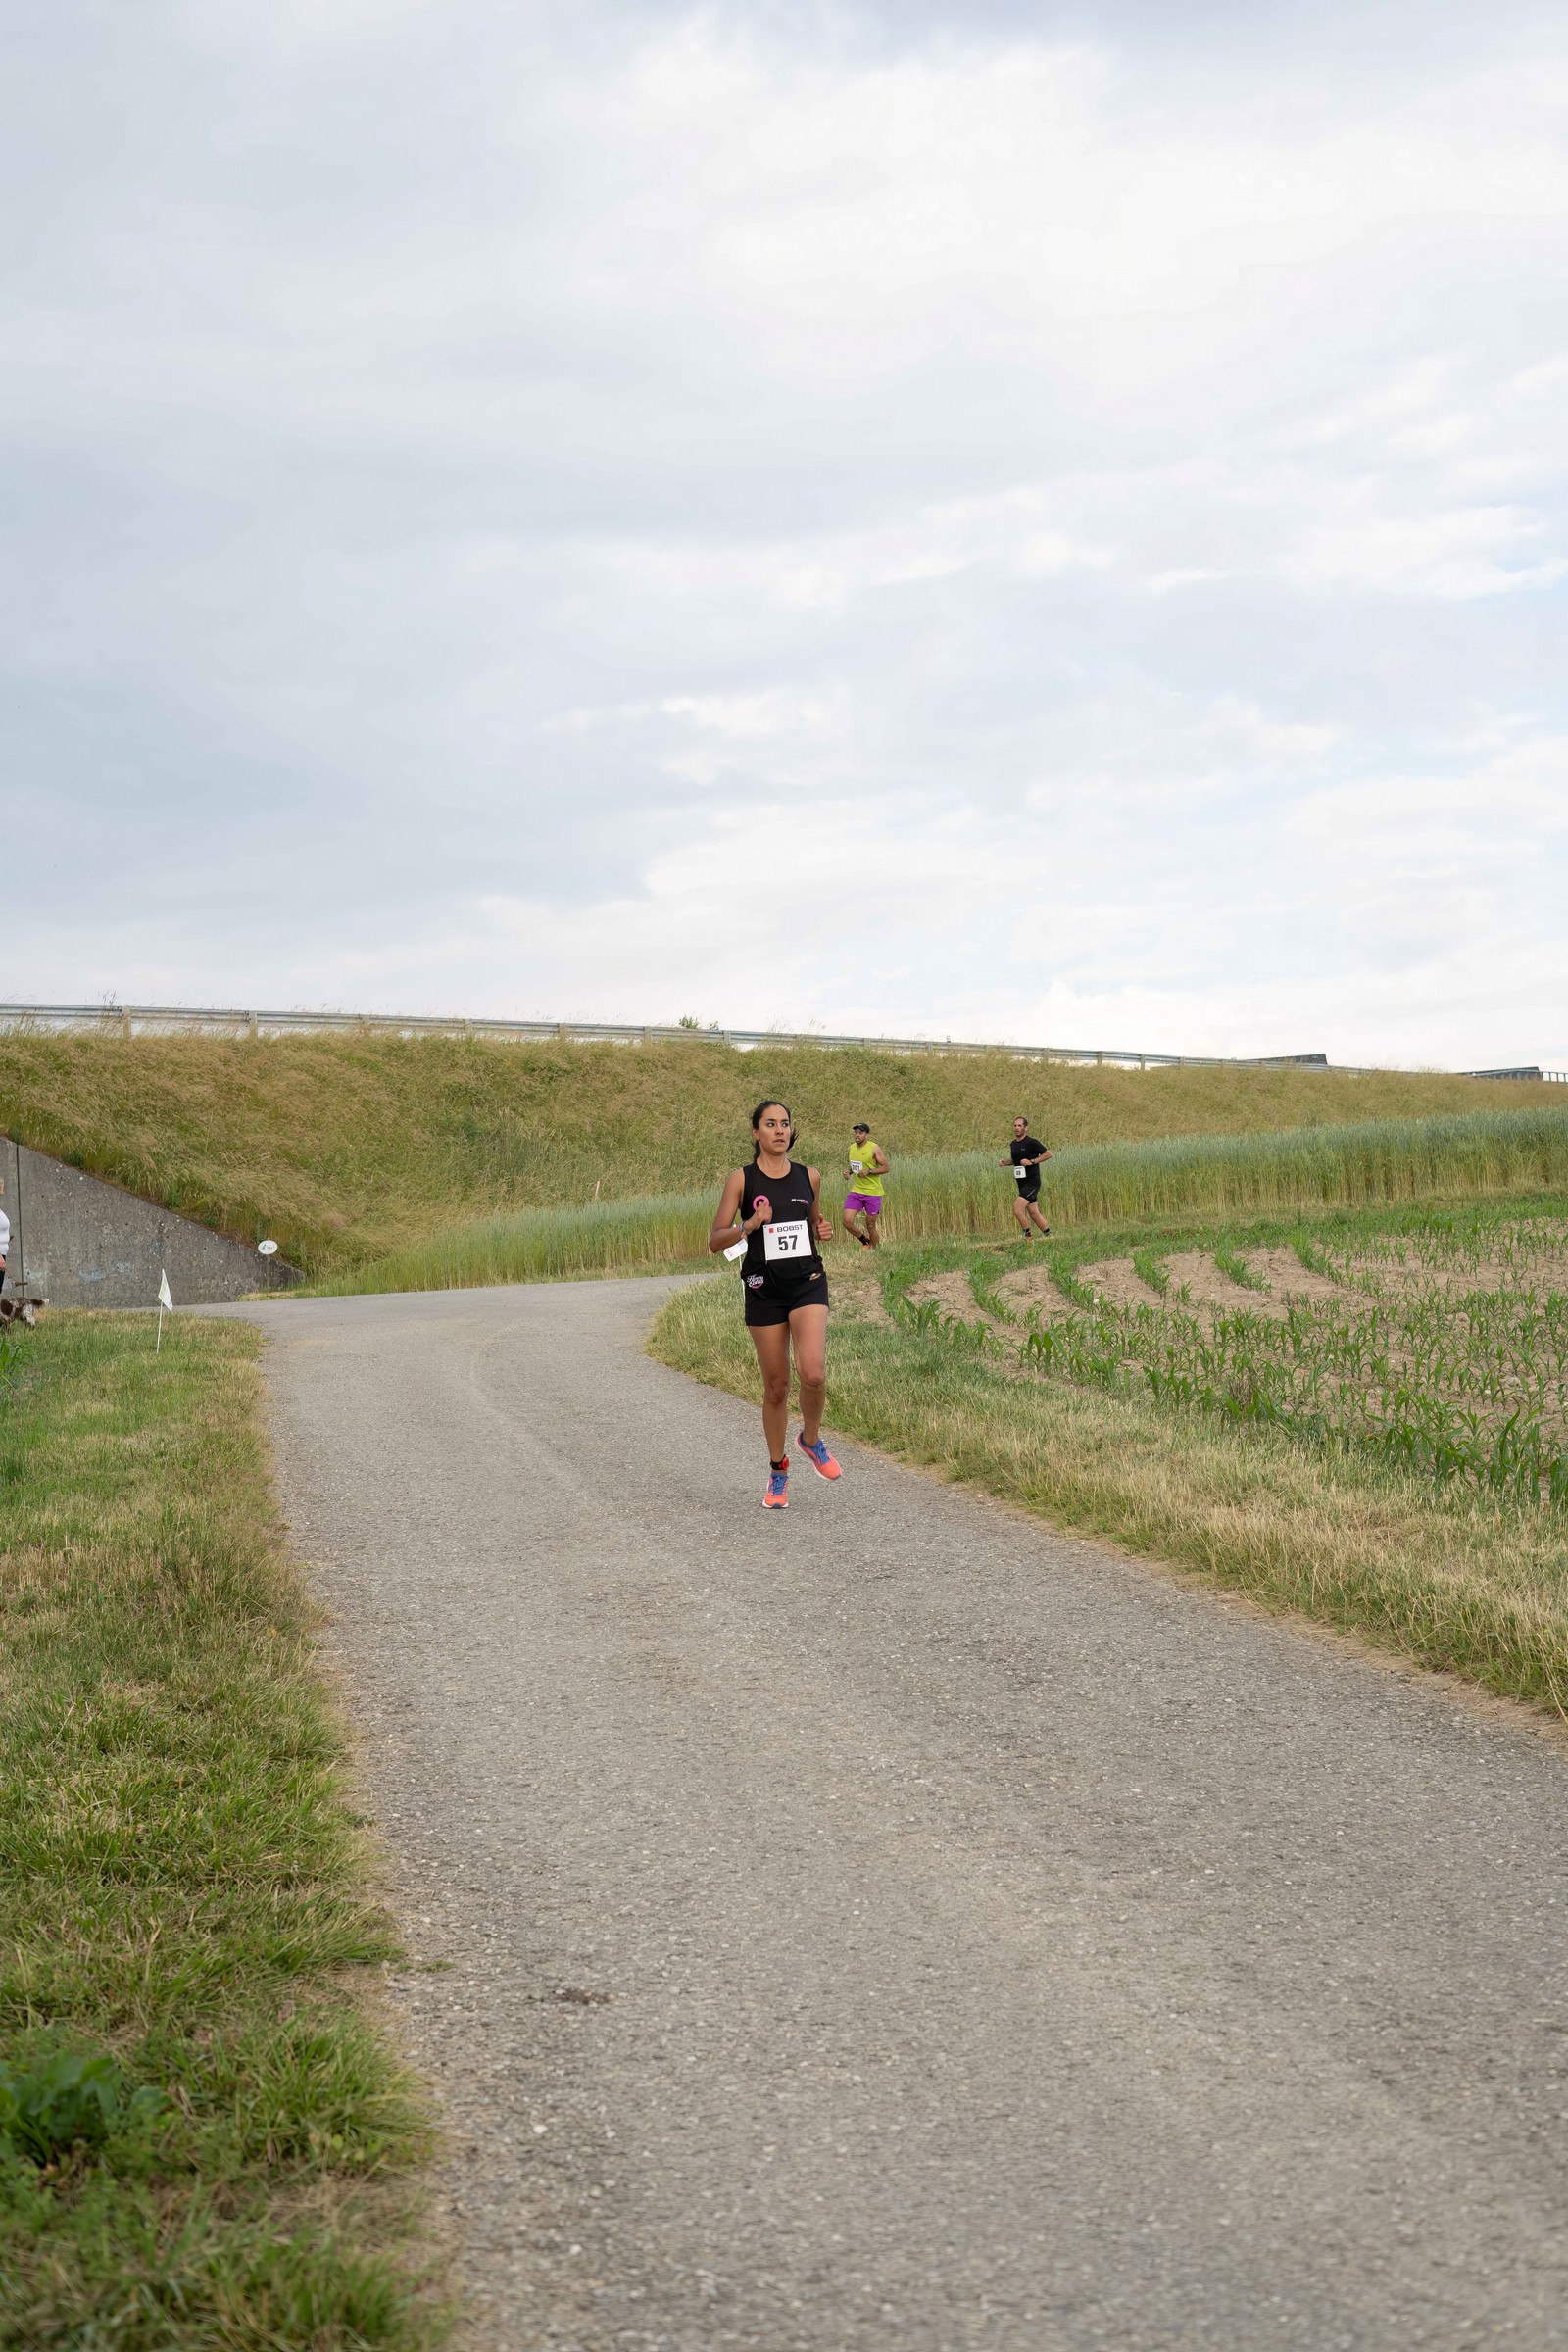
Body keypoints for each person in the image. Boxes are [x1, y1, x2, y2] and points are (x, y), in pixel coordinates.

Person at [710, 1100, 841, 1508]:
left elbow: (814, 1223)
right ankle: (778, 1470)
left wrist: (822, 1228)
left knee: (813, 1372)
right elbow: (715, 1241)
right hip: (762, 1288)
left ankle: (811, 1440)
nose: (780, 1130)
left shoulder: (809, 1176)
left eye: (785, 1123)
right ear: (756, 1133)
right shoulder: (741, 1179)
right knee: (777, 1386)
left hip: (807, 1284)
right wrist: (749, 1224)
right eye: (770, 1124)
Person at [1000, 1115, 1052, 1239]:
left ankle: (1028, 1238)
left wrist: (1032, 1161)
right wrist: (1005, 1162)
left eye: (1020, 1125)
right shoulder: (1013, 1144)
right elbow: (1016, 1160)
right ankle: (1049, 1236)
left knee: (1017, 1210)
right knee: (1033, 1212)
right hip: (1021, 1183)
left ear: (1026, 1128)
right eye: (1015, 1125)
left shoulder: (1032, 1142)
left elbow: (1048, 1154)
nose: (1017, 1128)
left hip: (1032, 1182)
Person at [842, 1120, 890, 1249]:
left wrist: (869, 1171)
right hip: (857, 1191)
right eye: (856, 1132)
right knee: (847, 1221)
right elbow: (856, 1166)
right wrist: (848, 1172)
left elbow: (886, 1168)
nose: (857, 1135)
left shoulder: (874, 1148)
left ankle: (875, 1250)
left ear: (867, 1135)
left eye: (861, 1132)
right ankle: (865, 1241)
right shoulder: (852, 1148)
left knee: (870, 1225)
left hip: (873, 1192)